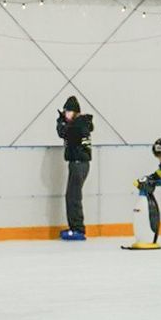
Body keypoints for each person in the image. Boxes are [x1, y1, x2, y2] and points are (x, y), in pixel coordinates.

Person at [56, 96, 94, 241]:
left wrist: (60, 122)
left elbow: (63, 133)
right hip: (79, 163)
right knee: (72, 196)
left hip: (78, 163)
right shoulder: (81, 123)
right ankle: (75, 227)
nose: (65, 114)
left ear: (74, 112)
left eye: (67, 111)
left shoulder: (78, 124)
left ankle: (78, 229)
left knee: (73, 197)